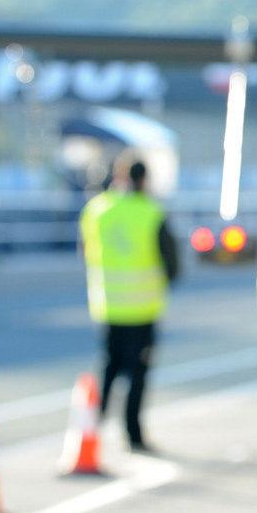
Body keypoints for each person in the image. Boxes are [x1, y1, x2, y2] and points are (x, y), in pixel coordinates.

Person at [79, 155, 179, 452]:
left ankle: (93, 425)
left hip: (108, 304)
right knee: (137, 373)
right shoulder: (151, 211)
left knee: (109, 366)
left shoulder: (97, 209)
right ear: (144, 179)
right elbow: (172, 264)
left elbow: (85, 250)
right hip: (143, 307)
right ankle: (132, 432)